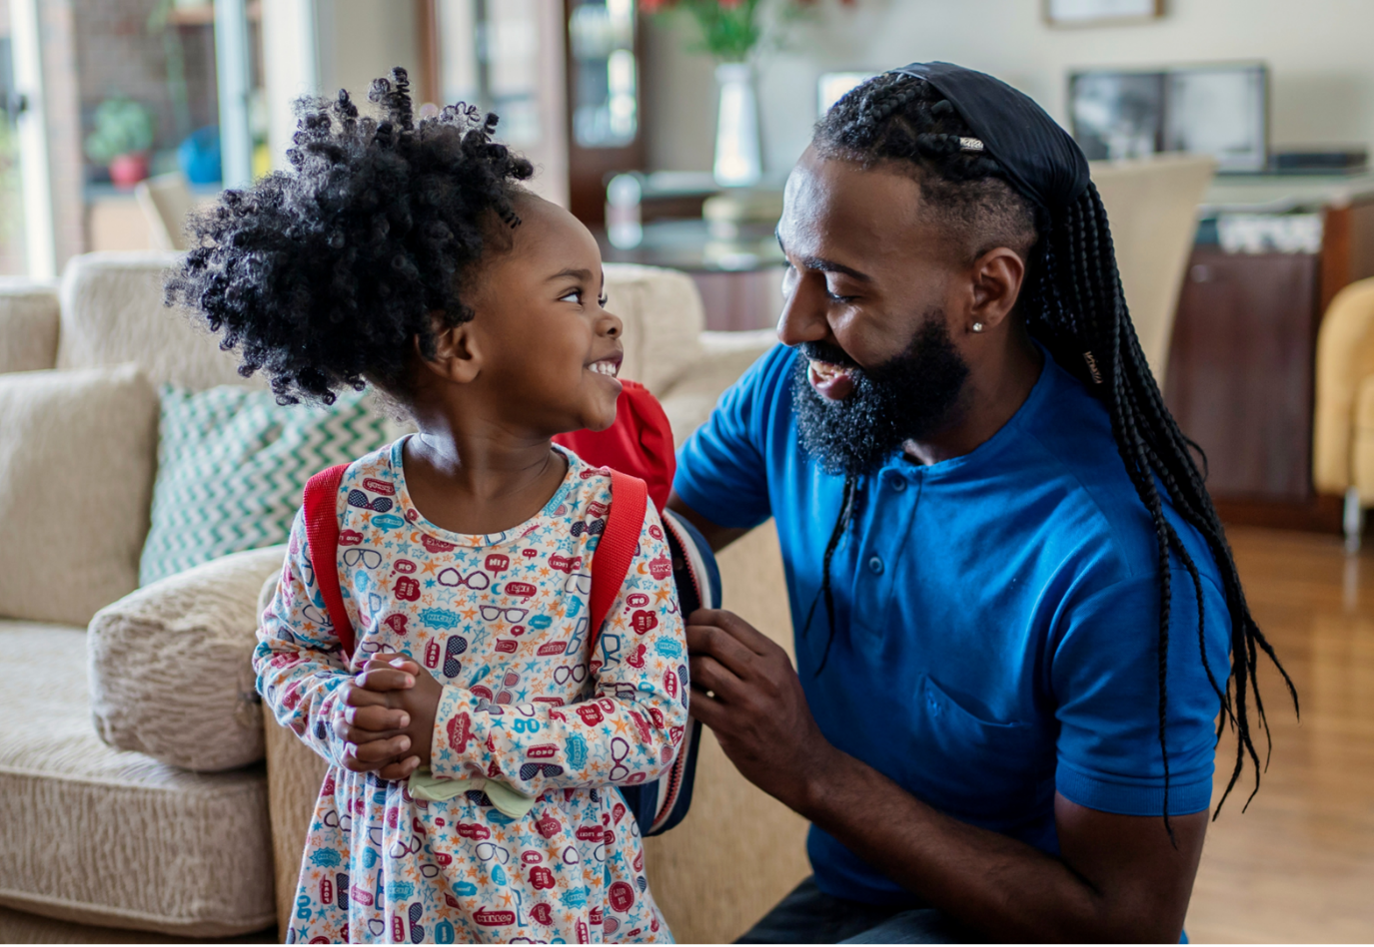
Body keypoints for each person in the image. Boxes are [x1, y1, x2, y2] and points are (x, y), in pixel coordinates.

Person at [668, 64, 1295, 945]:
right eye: (789, 265)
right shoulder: (800, 391)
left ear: (989, 291)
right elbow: (656, 539)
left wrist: (814, 771)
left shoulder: (1118, 561)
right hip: (858, 895)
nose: (791, 323)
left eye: (842, 289)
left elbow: (1128, 922)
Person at [166, 70, 686, 945]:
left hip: (560, 906)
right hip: (386, 899)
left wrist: (459, 727)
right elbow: (284, 653)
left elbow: (649, 728)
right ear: (457, 343)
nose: (609, 321)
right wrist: (338, 712)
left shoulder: (615, 521)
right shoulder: (345, 509)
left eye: (602, 295)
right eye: (573, 295)